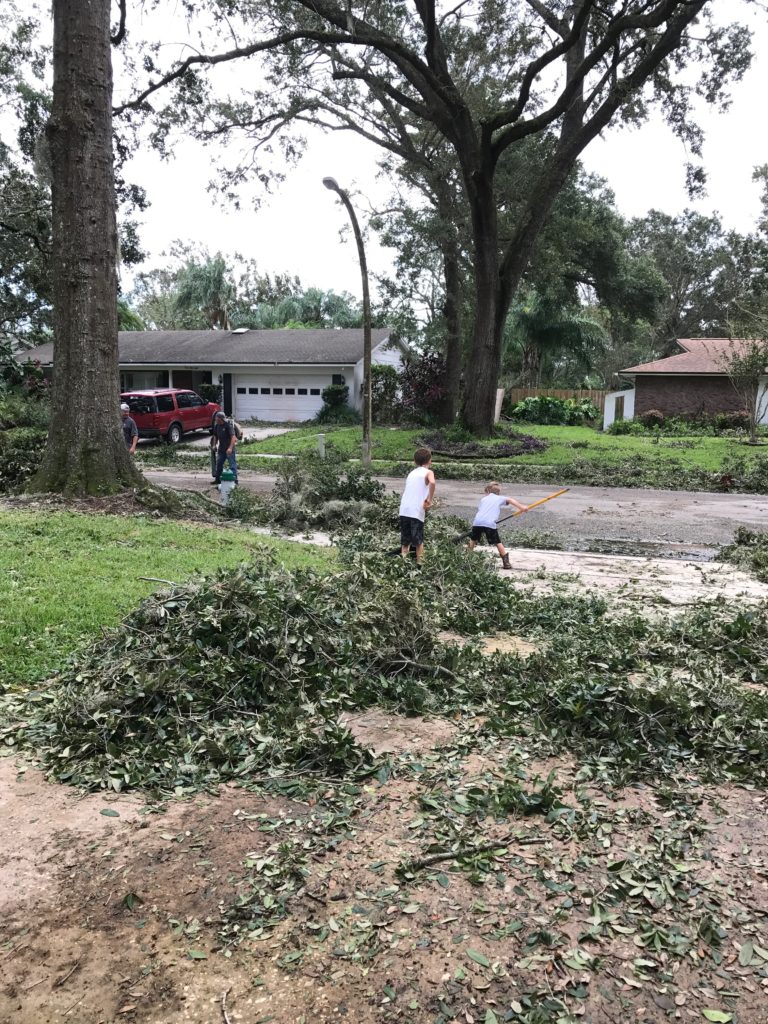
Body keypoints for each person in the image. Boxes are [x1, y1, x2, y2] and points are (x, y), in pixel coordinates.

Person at [469, 482, 528, 570]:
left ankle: (468, 557)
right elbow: (510, 500)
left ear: (488, 491)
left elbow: (483, 510)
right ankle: (506, 563)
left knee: (473, 539)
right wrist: (522, 507)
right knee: (497, 542)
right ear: (498, 492)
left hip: (477, 522)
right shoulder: (499, 498)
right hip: (489, 523)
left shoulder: (484, 499)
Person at [398, 447, 436, 563]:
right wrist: (429, 500)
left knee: (405, 541)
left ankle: (403, 564)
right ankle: (420, 565)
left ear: (415, 461)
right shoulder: (428, 472)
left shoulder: (411, 473)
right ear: (430, 460)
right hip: (416, 511)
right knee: (419, 541)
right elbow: (432, 482)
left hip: (404, 510)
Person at [211, 410, 238, 486]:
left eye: (216, 418)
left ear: (220, 418)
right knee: (219, 464)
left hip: (229, 449)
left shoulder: (228, 426)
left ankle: (235, 481)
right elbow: (215, 436)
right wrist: (214, 445)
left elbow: (233, 437)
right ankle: (218, 480)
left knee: (232, 465)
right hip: (221, 449)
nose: (215, 419)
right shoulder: (217, 426)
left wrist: (230, 448)